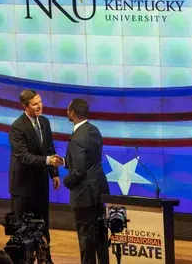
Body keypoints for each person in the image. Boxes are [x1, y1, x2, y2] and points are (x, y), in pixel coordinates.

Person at [8, 89, 63, 264]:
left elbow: (49, 148)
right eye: (34, 104)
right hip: (23, 186)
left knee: (42, 225)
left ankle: (45, 259)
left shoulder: (45, 122)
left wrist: (54, 173)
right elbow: (24, 156)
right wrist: (48, 160)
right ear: (25, 107)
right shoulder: (17, 127)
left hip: (40, 184)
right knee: (23, 229)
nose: (39, 106)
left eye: (40, 102)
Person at [63, 98, 110, 264]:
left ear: (73, 113)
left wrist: (66, 181)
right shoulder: (94, 130)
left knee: (85, 239)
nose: (66, 112)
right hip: (99, 191)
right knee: (100, 234)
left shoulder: (76, 139)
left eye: (68, 110)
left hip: (83, 196)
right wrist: (65, 161)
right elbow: (89, 159)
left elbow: (78, 171)